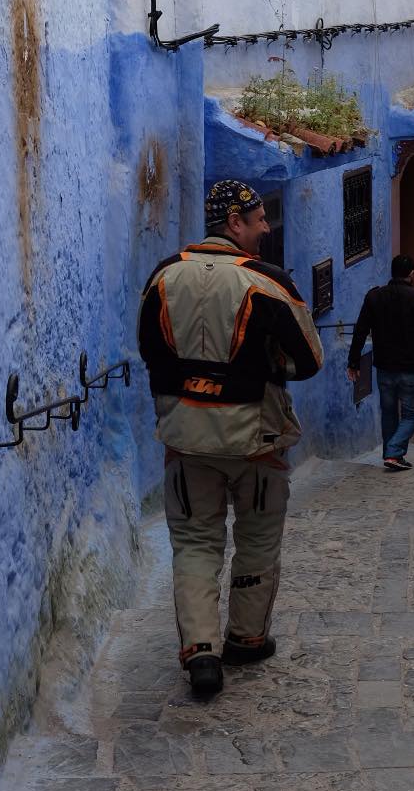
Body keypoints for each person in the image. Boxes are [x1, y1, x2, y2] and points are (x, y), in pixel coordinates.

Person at [138, 179, 323, 700]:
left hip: (186, 439)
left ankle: (200, 652)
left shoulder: (162, 277)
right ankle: (246, 637)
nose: (266, 229)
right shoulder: (267, 282)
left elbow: (150, 350)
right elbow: (309, 359)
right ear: (234, 223)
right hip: (255, 438)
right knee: (257, 539)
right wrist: (266, 368)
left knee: (195, 543)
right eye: (259, 220)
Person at [347, 253, 414, 471]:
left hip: (384, 366)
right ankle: (394, 452)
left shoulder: (374, 296)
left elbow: (360, 330)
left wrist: (353, 362)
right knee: (412, 414)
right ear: (411, 273)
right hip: (411, 368)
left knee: (389, 413)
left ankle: (392, 454)